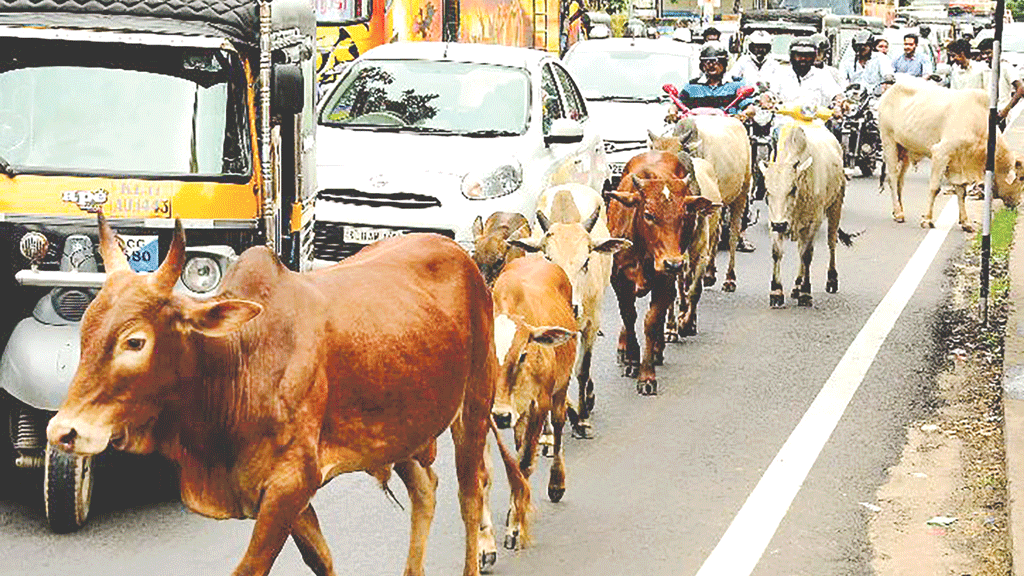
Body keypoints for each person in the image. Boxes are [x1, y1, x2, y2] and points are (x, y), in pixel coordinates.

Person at [679, 42, 756, 114]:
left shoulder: (736, 85)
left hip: (728, 127)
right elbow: (677, 105)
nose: (711, 65)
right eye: (707, 62)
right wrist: (672, 113)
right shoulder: (691, 87)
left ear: (724, 63)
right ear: (702, 65)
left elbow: (750, 108)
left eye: (716, 61)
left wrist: (744, 115)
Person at [773, 37, 843, 109]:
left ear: (814, 57)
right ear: (791, 56)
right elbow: (771, 93)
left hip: (815, 118)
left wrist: (840, 103)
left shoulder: (822, 75)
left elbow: (836, 94)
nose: (803, 59)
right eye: (799, 55)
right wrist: (766, 100)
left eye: (807, 55)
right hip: (785, 118)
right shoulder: (780, 73)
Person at [977, 38, 1024, 129]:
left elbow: (1020, 88)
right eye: (983, 53)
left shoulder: (1005, 67)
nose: (985, 56)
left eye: (988, 53)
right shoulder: (983, 68)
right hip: (987, 112)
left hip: (1001, 113)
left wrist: (1006, 110)